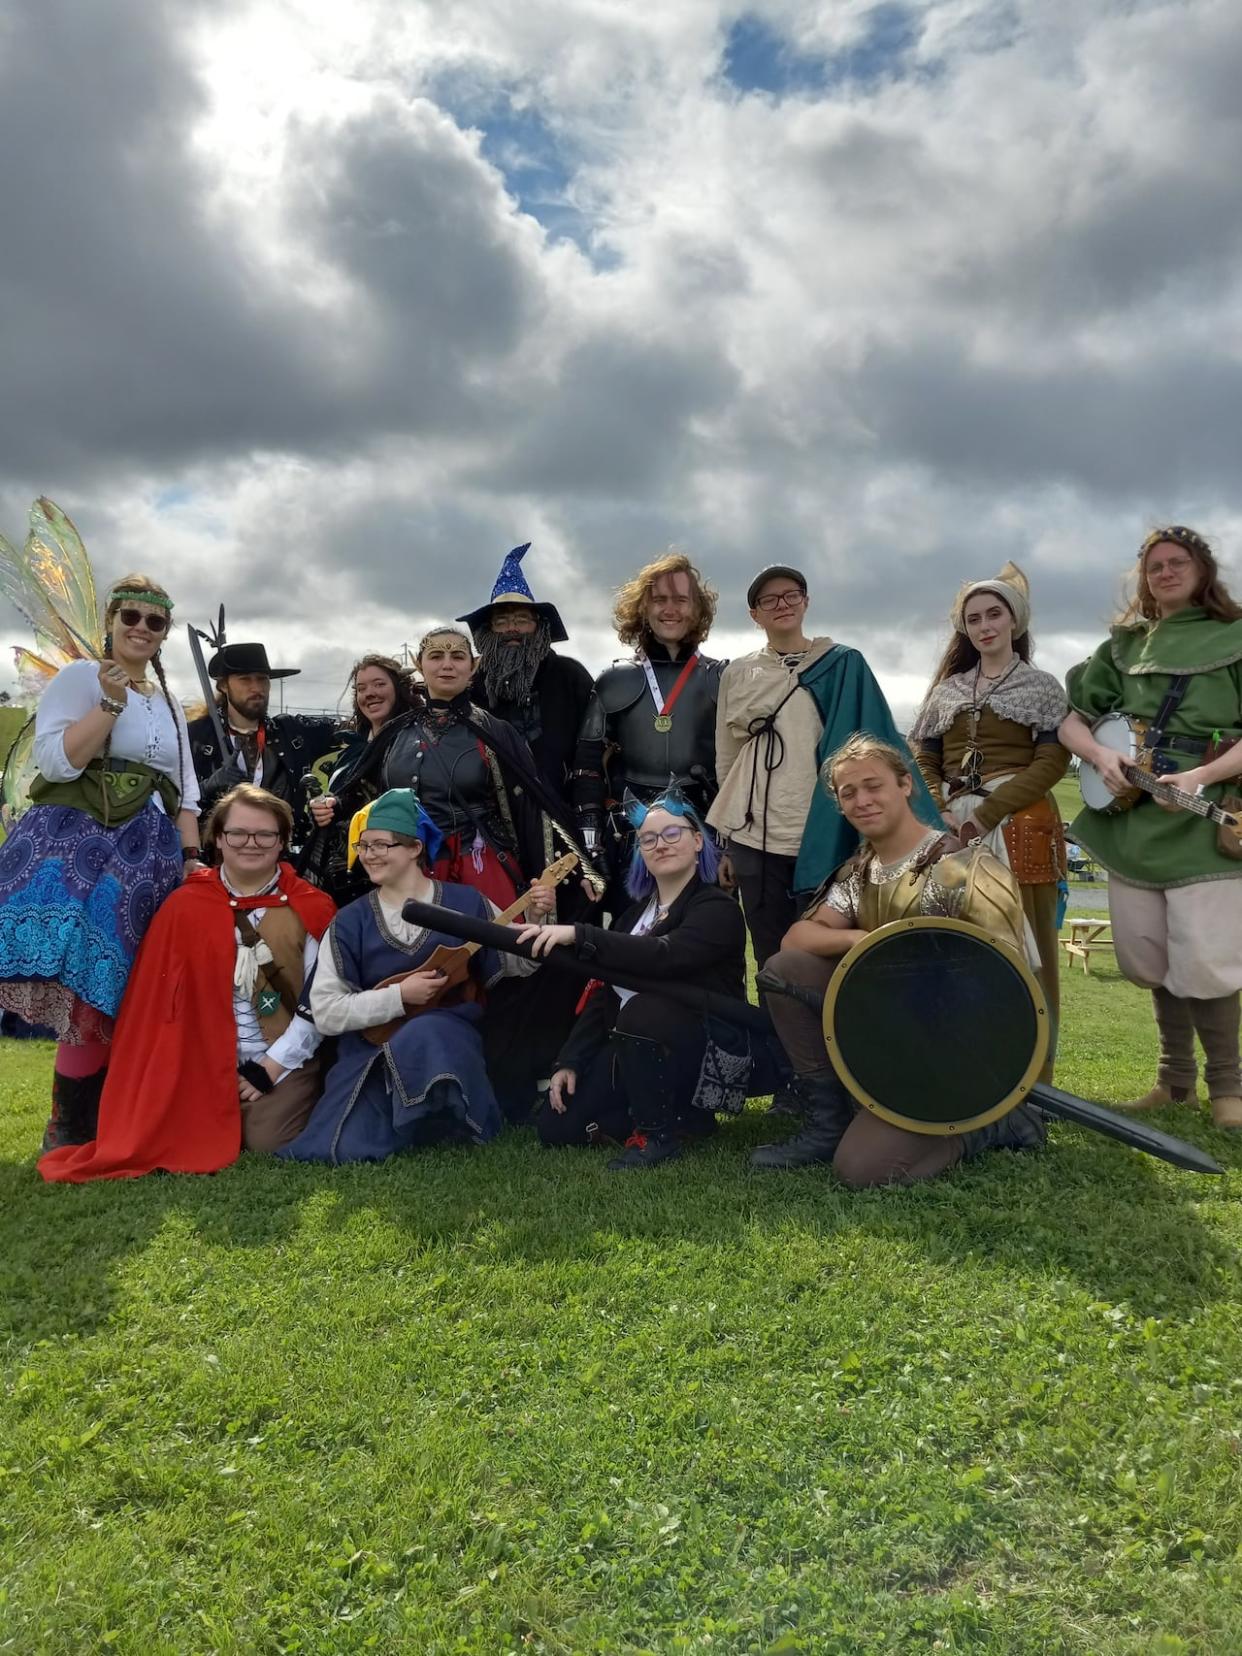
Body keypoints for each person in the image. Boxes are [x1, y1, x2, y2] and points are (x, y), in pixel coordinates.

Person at [752, 735, 1046, 1184]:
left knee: (864, 1169)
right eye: (848, 793)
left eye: (873, 786)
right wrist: (874, 940)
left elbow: (1006, 989)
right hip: (892, 1041)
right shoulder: (859, 872)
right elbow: (796, 939)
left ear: (905, 785)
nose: (862, 800)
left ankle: (992, 1123)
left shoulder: (967, 868)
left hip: (954, 1055)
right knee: (785, 971)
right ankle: (829, 1122)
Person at [38, 785, 335, 1181]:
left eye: (266, 834)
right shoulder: (184, 906)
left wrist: (272, 1066)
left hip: (279, 1056)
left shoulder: (311, 905)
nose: (251, 843)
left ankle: (271, 1103)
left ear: (282, 841)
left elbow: (322, 1000)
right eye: (238, 833)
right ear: (218, 838)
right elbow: (158, 1007)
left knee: (268, 1141)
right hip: (201, 1061)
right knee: (186, 1131)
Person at [0, 574, 201, 1149]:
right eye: (130, 617)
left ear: (164, 633)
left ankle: (112, 1113)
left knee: (126, 983)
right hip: (83, 842)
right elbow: (57, 764)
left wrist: (190, 861)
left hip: (150, 855)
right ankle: (67, 1125)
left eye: (154, 621)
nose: (141, 628)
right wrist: (110, 704)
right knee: (89, 978)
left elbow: (185, 792)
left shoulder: (166, 702)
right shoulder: (79, 678)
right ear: (110, 622)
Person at [1059, 525, 1242, 1129]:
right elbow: (1071, 722)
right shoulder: (1124, 645)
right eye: (1155, 566)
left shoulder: (1237, 636)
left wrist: (1201, 776)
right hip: (1133, 819)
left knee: (1206, 957)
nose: (1165, 573)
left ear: (1202, 569)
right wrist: (1103, 757)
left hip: (1202, 817)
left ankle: (1228, 1091)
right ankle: (1173, 1081)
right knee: (1150, 955)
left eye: (1177, 562)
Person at [379, 624, 598, 1116]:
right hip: (409, 867)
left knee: (497, 968)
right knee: (414, 965)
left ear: (473, 666)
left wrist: (558, 871)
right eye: (436, 655)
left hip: (478, 865)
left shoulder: (495, 732)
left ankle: (500, 1076)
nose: (447, 663)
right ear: (420, 664)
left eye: (458, 655)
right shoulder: (398, 731)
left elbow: (535, 806)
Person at [278, 788, 552, 1163]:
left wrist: (535, 920)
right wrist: (398, 997)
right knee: (343, 1147)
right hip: (371, 1051)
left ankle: (443, 1110)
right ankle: (417, 1118)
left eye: (381, 845)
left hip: (447, 1043)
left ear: (414, 848)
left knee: (429, 1030)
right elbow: (325, 1011)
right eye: (363, 845)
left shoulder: (466, 903)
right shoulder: (349, 920)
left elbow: (518, 963)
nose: (368, 855)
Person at [528, 793, 750, 1169]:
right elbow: (603, 993)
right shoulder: (631, 918)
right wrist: (570, 1061)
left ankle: (658, 1134)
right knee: (555, 1128)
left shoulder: (718, 909)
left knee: (643, 1011)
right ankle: (668, 1117)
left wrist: (581, 935)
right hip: (634, 1042)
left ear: (697, 841)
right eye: (648, 839)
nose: (660, 844)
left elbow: (665, 956)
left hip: (702, 1047)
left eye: (672, 834)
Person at [910, 562, 1069, 1077]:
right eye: (973, 618)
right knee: (957, 941)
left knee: (1032, 945)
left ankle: (1037, 1078)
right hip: (952, 827)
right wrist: (939, 811)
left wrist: (991, 811)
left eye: (994, 614)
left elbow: (1051, 763)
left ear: (1014, 621)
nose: (984, 626)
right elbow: (924, 757)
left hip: (1020, 823)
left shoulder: (1042, 687)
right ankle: (971, 1069)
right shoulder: (947, 691)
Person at [708, 565, 840, 1003]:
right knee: (767, 951)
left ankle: (819, 1056)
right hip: (754, 833)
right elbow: (726, 756)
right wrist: (727, 840)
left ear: (806, 601)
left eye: (791, 595)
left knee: (818, 950)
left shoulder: (835, 664)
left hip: (817, 831)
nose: (782, 605)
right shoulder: (737, 673)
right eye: (770, 600)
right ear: (754, 614)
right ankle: (775, 1056)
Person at [572, 551, 725, 900]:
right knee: (632, 934)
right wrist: (591, 845)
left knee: (703, 928)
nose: (670, 609)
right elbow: (586, 770)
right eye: (659, 600)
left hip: (705, 827)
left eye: (681, 600)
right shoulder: (614, 680)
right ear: (643, 608)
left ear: (698, 609)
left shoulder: (723, 679)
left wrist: (729, 843)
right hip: (630, 830)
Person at [458, 543, 594, 808]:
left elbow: (594, 749)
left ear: (540, 628)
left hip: (564, 807)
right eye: (501, 622)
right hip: (491, 812)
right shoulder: (472, 683)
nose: (512, 629)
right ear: (488, 631)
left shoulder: (570, 676)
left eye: (521, 620)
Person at [302, 654, 423, 903]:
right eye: (361, 688)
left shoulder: (414, 741)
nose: (369, 693)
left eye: (379, 684)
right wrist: (322, 807)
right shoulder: (352, 749)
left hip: (392, 865)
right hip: (342, 870)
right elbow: (337, 798)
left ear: (399, 689)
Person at [187, 640, 337, 842]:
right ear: (223, 685)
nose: (256, 687)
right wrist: (208, 787)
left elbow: (356, 729)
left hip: (282, 852)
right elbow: (176, 802)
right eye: (245, 679)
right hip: (218, 855)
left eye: (262, 679)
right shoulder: (195, 737)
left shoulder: (291, 733)